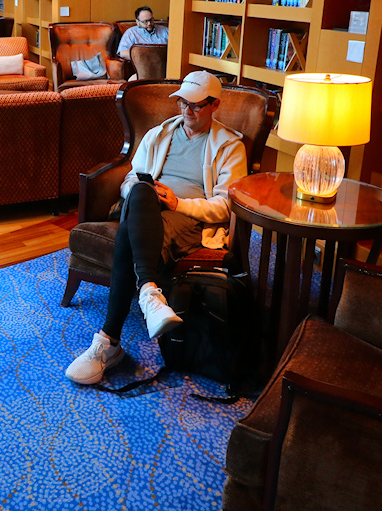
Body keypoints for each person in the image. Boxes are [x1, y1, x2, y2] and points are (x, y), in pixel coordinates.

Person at [65, 71, 248, 385]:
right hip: (142, 208)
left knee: (127, 235)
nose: (186, 111)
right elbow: (129, 180)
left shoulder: (230, 146)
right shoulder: (158, 134)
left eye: (195, 106)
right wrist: (147, 193)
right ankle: (149, 292)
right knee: (141, 190)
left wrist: (178, 203)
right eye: (181, 103)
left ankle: (109, 341)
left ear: (215, 104)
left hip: (187, 217)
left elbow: (225, 205)